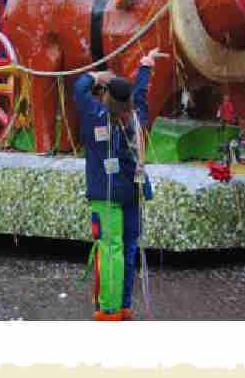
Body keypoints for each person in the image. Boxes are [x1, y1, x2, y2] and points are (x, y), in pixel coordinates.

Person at [74, 47, 166, 321]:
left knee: (109, 248)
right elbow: (140, 93)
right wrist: (145, 66)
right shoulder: (137, 116)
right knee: (127, 248)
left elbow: (79, 89)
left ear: (106, 96)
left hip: (106, 196)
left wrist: (96, 76)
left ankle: (109, 310)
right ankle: (124, 305)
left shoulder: (95, 115)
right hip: (132, 193)